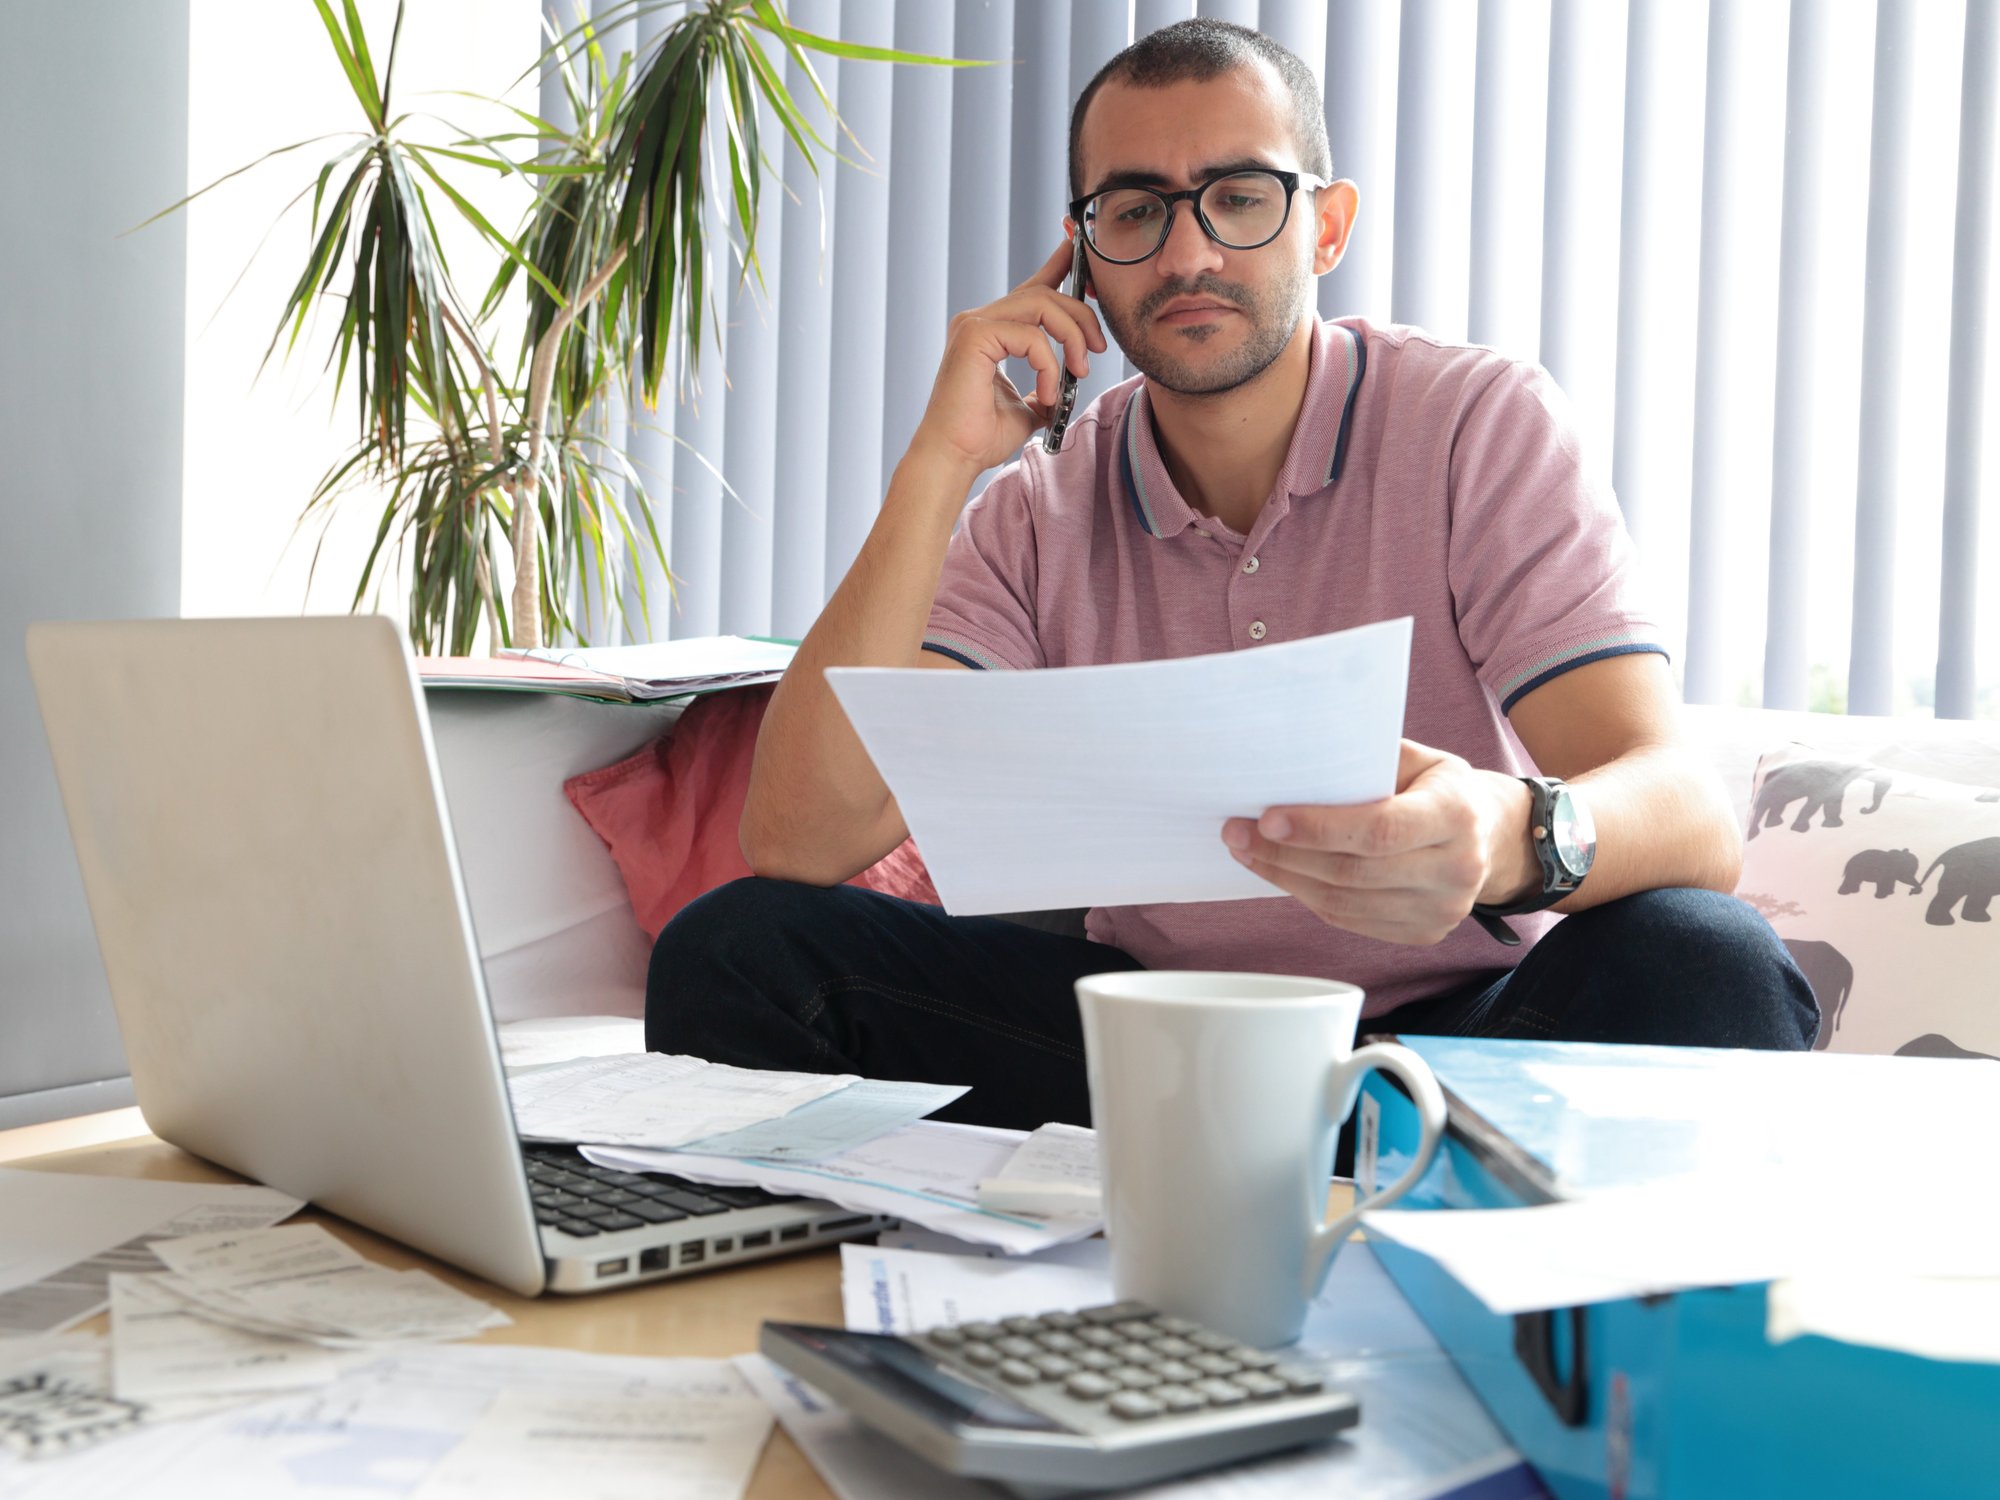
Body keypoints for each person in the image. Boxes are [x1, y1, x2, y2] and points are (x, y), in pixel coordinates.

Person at [646, 19, 1816, 1129]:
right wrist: (938, 462)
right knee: (741, 947)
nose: (1188, 252)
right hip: (1143, 1046)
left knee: (1703, 954)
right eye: (1134, 209)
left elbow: (1684, 808)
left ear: (1326, 226)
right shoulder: (1040, 505)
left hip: (1457, 1045)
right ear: (1081, 256)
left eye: (1240, 198)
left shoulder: (1473, 423)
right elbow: (800, 843)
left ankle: (1330, 1196)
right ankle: (1315, 1197)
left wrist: (1504, 840)